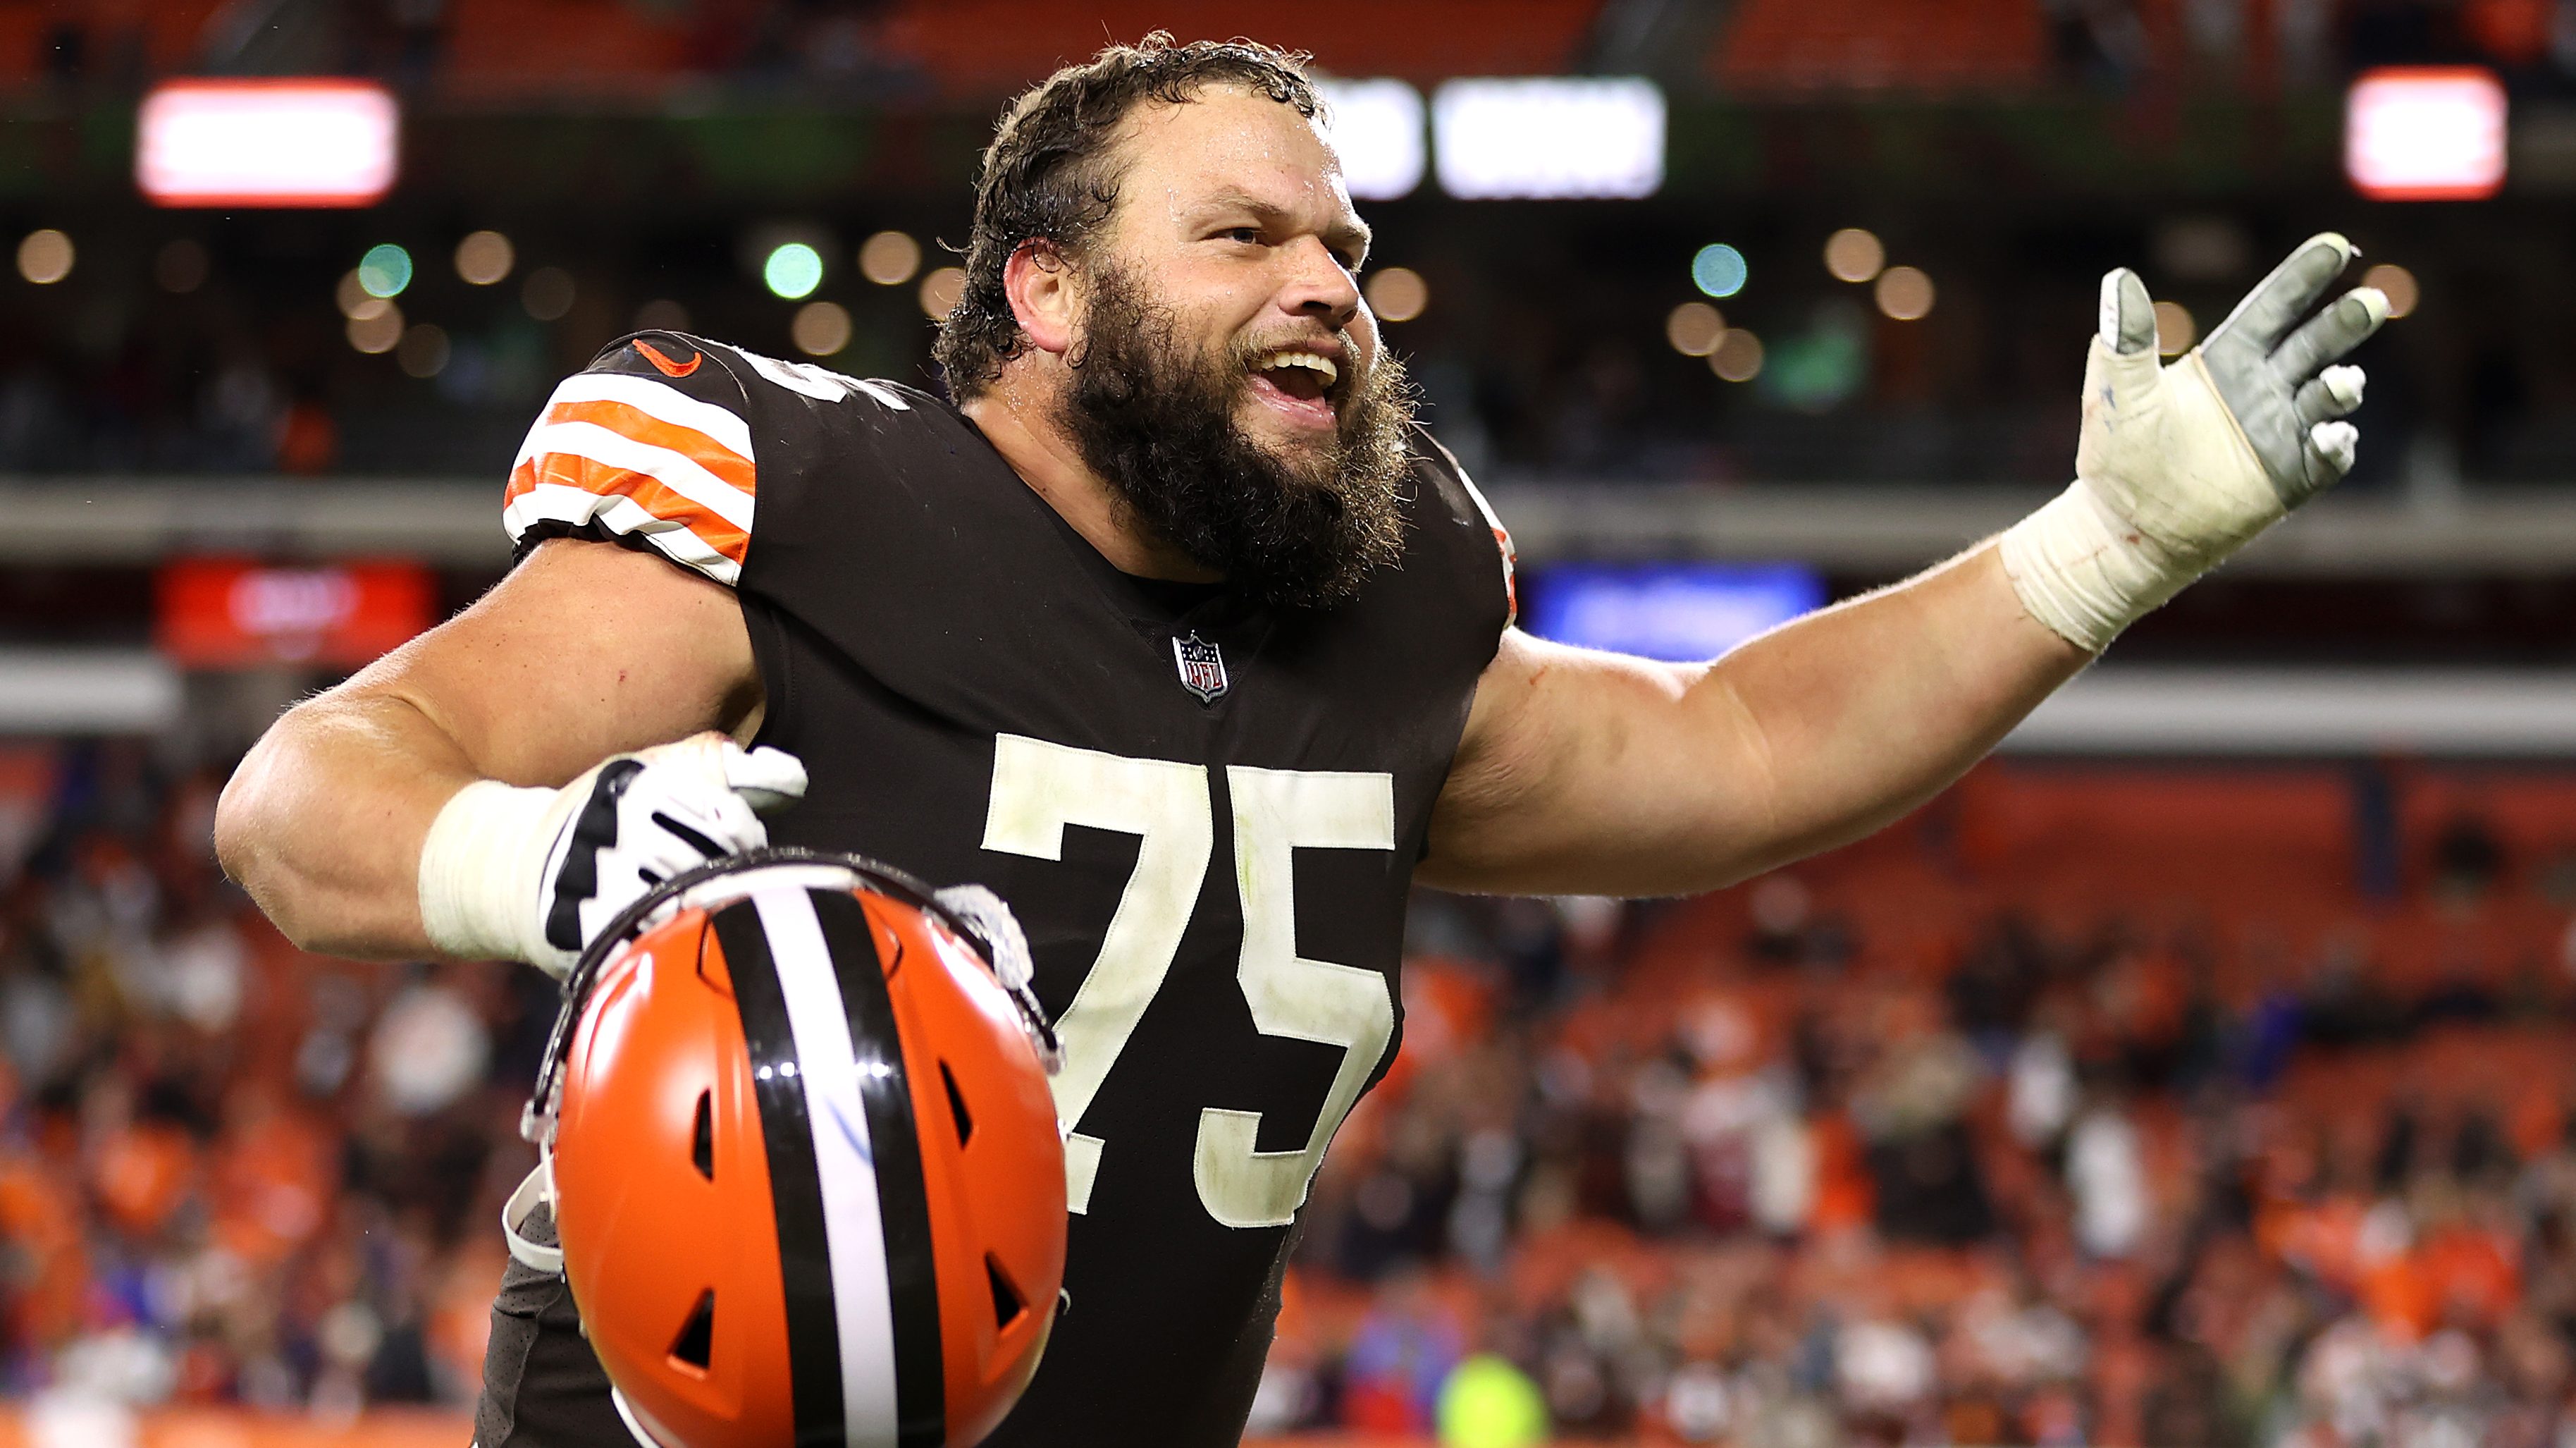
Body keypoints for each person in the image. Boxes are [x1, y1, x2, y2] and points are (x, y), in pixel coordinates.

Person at [211, 34, 2388, 1448]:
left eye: (1347, 249)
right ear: (1045, 296)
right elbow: (304, 796)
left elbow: (1730, 746)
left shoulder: (1385, 609)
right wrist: (536, 858)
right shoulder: (810, 501)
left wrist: (2106, 546)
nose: (1332, 284)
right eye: (1243, 234)